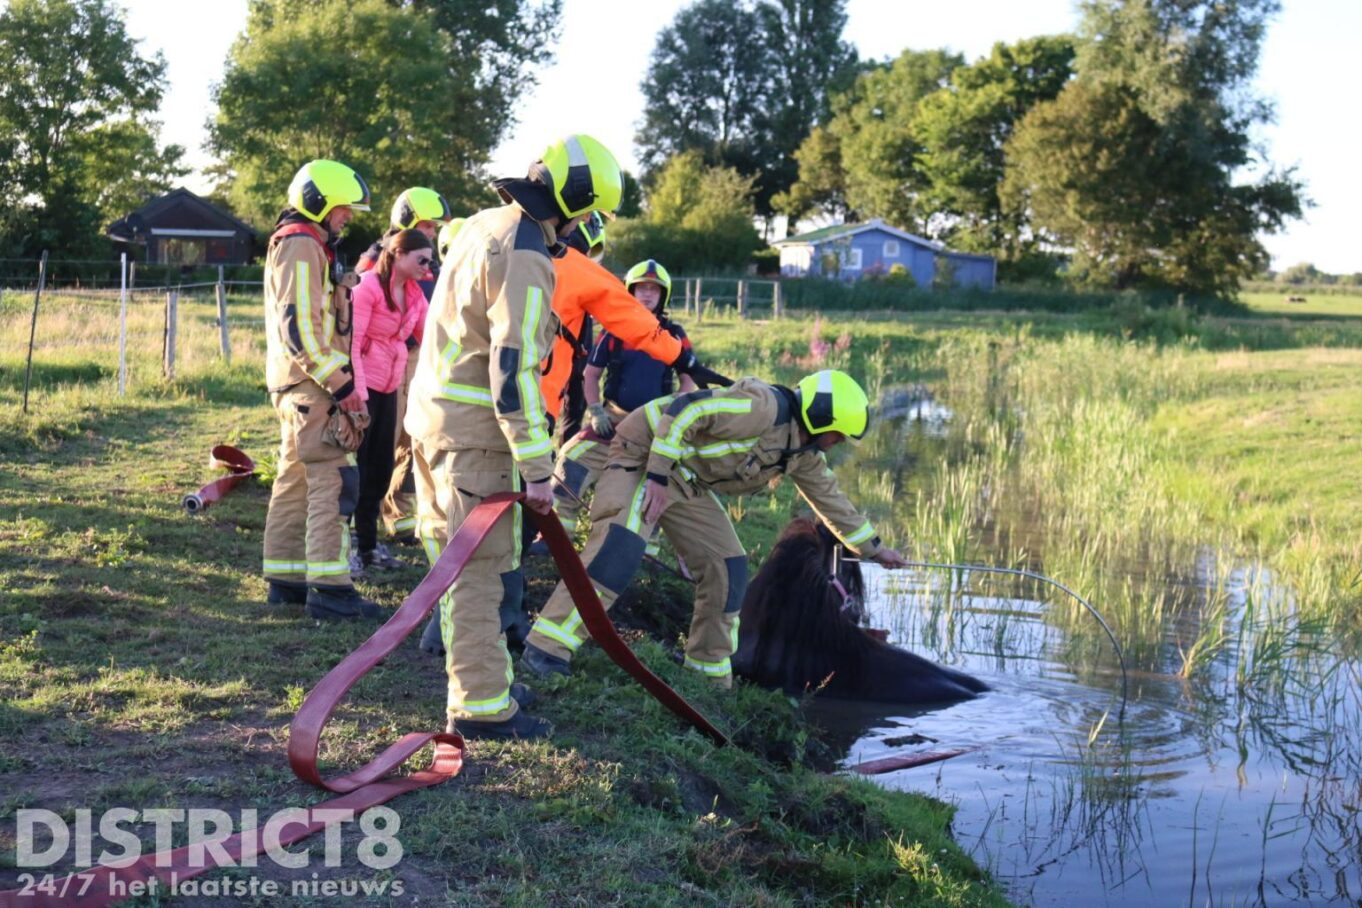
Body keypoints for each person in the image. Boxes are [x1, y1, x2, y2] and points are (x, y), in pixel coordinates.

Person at [405, 134, 623, 739]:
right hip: (475, 437)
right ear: (575, 203)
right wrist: (536, 467)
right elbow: (513, 367)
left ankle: (483, 677)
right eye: (587, 213)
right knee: (479, 572)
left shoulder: (483, 223)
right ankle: (479, 705)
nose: (584, 226)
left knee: (450, 565)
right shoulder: (527, 251)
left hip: (432, 418)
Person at [521, 370, 912, 688]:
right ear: (822, 416)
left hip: (683, 478)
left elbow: (833, 502)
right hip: (644, 456)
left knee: (729, 567)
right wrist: (657, 475)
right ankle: (547, 649)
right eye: (839, 434)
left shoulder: (802, 453)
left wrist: (876, 550)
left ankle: (706, 672)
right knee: (618, 549)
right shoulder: (761, 408)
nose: (838, 443)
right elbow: (687, 409)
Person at [261, 159, 384, 620]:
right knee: (333, 481)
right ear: (319, 203)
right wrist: (342, 383)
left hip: (297, 384)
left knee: (295, 480)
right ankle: (331, 590)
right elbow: (301, 329)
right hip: (312, 386)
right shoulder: (300, 245)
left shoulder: (305, 245)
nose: (347, 218)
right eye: (342, 210)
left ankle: (287, 579)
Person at [553, 258, 697, 537]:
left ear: (663, 295)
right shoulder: (612, 331)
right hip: (613, 422)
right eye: (641, 287)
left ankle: (645, 551)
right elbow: (591, 375)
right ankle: (558, 539)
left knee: (655, 486)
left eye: (653, 289)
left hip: (654, 428)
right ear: (629, 291)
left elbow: (688, 382)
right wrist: (595, 410)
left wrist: (670, 418)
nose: (646, 294)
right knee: (570, 462)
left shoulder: (675, 334)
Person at [379, 216, 466, 544]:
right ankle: (372, 514)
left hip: (423, 359)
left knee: (410, 437)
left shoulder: (435, 272)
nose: (431, 233)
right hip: (393, 360)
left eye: (433, 229)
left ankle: (400, 513)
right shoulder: (383, 262)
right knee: (386, 439)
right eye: (425, 226)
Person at [350, 228, 432, 570]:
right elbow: (352, 342)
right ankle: (348, 547)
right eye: (421, 259)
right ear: (399, 254)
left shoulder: (413, 294)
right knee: (357, 469)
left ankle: (368, 547)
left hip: (390, 387)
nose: (427, 268)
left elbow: (431, 335)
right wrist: (355, 391)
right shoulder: (368, 288)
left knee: (382, 469)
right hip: (361, 389)